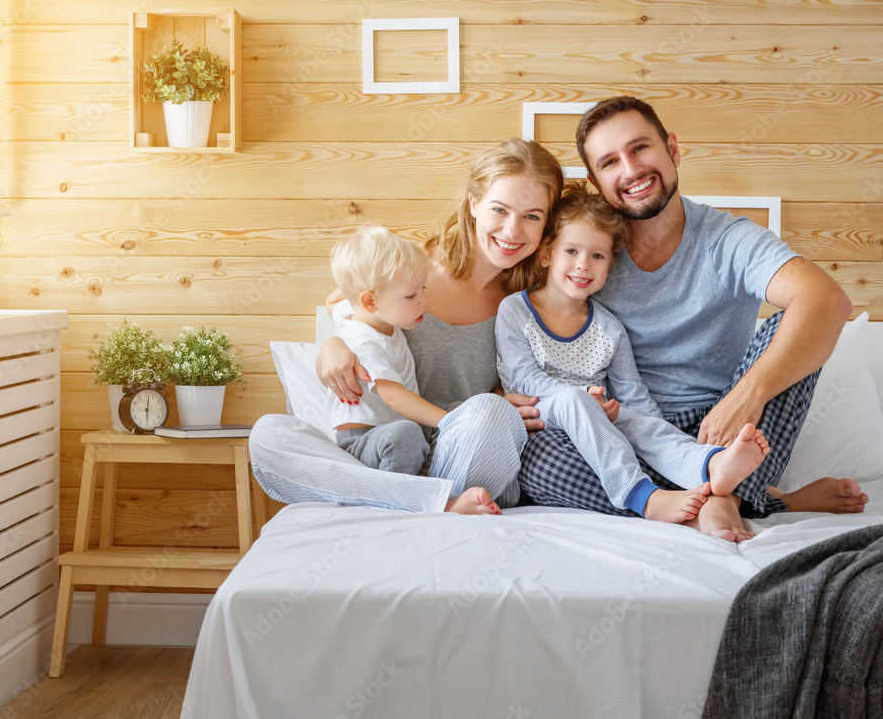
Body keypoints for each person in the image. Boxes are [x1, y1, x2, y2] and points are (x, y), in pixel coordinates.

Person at [520, 95, 866, 541]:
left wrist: (748, 395)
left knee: (796, 326)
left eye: (640, 148)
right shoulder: (586, 256)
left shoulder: (728, 239)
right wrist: (510, 392)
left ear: (672, 150)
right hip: (626, 433)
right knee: (530, 456)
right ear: (595, 181)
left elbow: (828, 300)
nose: (630, 170)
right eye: (610, 162)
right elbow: (527, 327)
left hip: (722, 430)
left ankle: (724, 492)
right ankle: (745, 500)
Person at [248, 138, 561, 515]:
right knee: (268, 434)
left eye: (532, 216)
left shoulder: (530, 301)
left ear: (545, 225)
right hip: (384, 450)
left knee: (490, 413)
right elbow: (343, 300)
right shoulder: (409, 266)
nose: (512, 230)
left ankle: (400, 501)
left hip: (457, 453)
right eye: (500, 209)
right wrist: (333, 344)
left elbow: (512, 383)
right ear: (474, 204)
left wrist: (501, 401)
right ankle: (431, 505)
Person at [497, 185, 770, 525]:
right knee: (574, 403)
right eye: (571, 251)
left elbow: (634, 395)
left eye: (597, 256)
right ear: (546, 254)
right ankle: (642, 496)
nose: (583, 265)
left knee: (639, 421)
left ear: (610, 265)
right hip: (544, 416)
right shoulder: (515, 310)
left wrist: (653, 427)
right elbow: (525, 379)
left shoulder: (609, 328)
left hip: (600, 419)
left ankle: (710, 465)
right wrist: (584, 398)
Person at [326, 224, 448, 481]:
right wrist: (451, 420)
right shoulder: (363, 339)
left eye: (422, 289)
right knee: (407, 433)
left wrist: (359, 277)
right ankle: (396, 499)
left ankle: (429, 479)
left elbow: (332, 301)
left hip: (393, 436)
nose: (423, 301)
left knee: (448, 415)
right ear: (369, 301)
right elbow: (394, 397)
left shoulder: (352, 312)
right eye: (410, 295)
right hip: (364, 442)